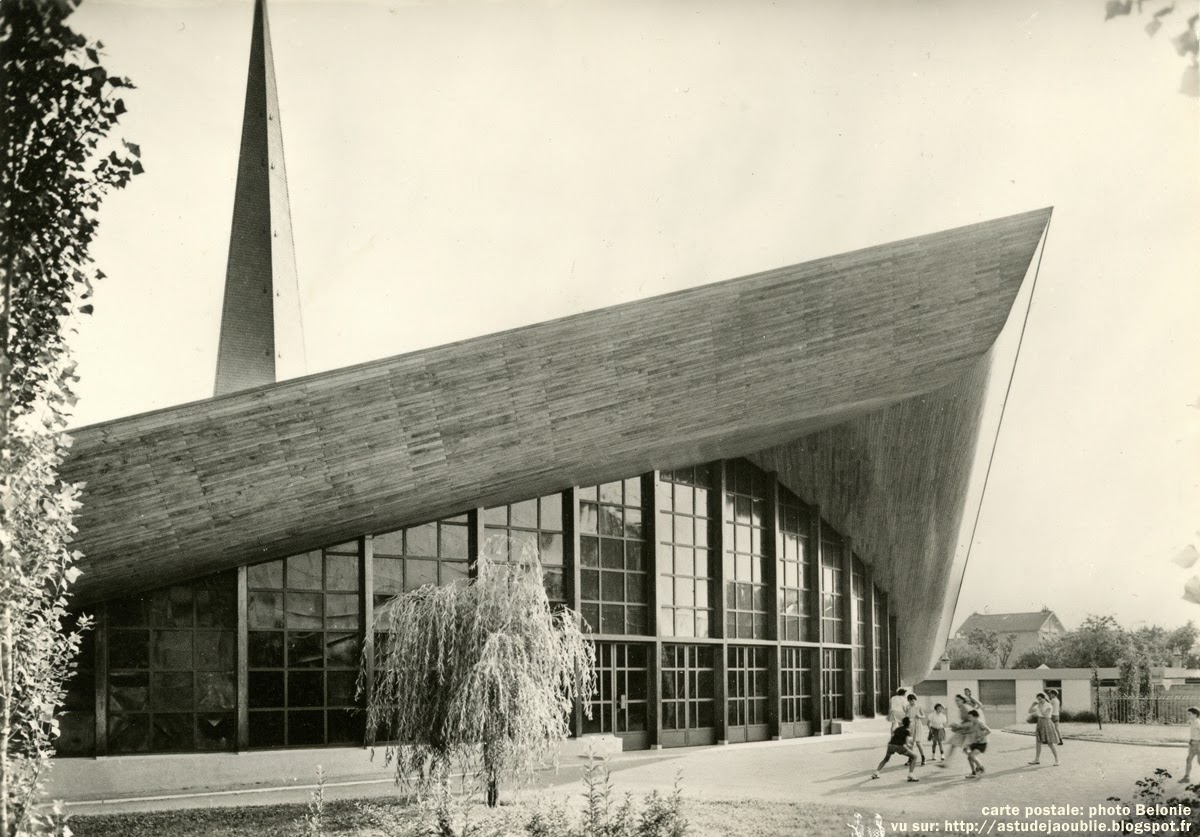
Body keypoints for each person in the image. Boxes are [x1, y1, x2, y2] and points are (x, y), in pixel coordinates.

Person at [871, 716, 920, 782]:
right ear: (909, 723)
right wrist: (911, 745)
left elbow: (893, 737)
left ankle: (876, 772)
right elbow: (907, 743)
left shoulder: (897, 729)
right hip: (899, 746)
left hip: (891, 745)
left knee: (886, 759)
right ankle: (910, 775)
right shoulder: (908, 731)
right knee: (914, 757)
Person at [936, 694, 971, 769]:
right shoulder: (961, 708)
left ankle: (977, 764)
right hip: (963, 730)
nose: (956, 702)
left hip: (969, 731)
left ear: (962, 700)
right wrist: (957, 726)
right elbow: (965, 721)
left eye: (958, 700)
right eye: (956, 701)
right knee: (953, 744)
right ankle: (946, 763)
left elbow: (971, 722)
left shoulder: (965, 708)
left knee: (965, 749)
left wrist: (959, 726)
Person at [1027, 692, 1060, 766]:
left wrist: (1040, 707)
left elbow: (1045, 714)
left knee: (1050, 742)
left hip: (1047, 722)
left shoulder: (1049, 705)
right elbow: (1029, 711)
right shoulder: (1038, 705)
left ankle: (1057, 760)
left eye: (1040, 699)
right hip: (1040, 722)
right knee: (1038, 742)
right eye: (1038, 699)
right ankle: (1037, 759)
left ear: (1044, 698)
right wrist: (1032, 705)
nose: (1039, 701)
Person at [962, 709, 991, 778]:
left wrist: (981, 736)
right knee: (969, 757)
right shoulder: (972, 724)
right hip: (974, 743)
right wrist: (968, 744)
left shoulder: (980, 723)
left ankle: (981, 767)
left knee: (971, 755)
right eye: (968, 717)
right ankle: (974, 772)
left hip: (982, 743)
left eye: (971, 717)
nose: (969, 718)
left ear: (975, 717)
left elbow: (989, 731)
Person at [905, 693, 927, 765]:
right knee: (911, 743)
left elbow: (923, 715)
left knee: (918, 743)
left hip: (917, 725)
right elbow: (905, 716)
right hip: (910, 725)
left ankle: (923, 758)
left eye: (913, 701)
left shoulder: (919, 706)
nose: (911, 702)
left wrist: (919, 716)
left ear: (915, 700)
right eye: (910, 701)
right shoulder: (907, 707)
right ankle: (910, 758)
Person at [1181, 706, 1200, 783]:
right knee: (1188, 760)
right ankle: (1186, 777)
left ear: (1195, 714)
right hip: (1192, 743)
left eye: (1189, 714)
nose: (1188, 716)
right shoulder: (1192, 722)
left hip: (1198, 744)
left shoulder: (1198, 723)